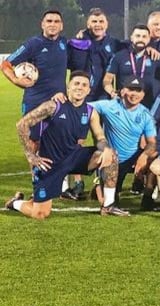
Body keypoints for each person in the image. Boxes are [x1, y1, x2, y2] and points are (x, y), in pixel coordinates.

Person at [6, 72, 124, 219]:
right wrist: (30, 155)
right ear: (68, 87)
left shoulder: (90, 112)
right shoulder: (53, 106)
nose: (80, 88)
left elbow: (99, 136)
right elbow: (22, 124)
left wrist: (105, 148)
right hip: (50, 164)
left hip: (74, 157)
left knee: (111, 154)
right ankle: (15, 203)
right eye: (76, 84)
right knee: (40, 214)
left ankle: (108, 206)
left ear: (89, 90)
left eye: (84, 85)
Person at [2, 10, 81, 121]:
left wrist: (82, 35)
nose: (53, 24)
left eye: (56, 21)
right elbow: (5, 64)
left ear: (61, 26)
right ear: (42, 24)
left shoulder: (63, 43)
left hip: (59, 102)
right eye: (49, 21)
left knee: (59, 138)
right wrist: (15, 80)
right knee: (32, 138)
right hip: (35, 102)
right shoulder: (33, 44)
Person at [89, 77, 157, 203]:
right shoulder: (109, 106)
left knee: (155, 156)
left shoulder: (145, 114)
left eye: (138, 91)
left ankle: (147, 198)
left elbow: (152, 142)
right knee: (108, 201)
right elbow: (83, 107)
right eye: (131, 89)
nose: (134, 94)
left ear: (143, 94)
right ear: (123, 91)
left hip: (132, 158)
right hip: (111, 158)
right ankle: (99, 184)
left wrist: (144, 155)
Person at [69, 8, 122, 102]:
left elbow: (135, 46)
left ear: (106, 24)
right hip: (81, 95)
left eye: (101, 21)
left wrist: (150, 47)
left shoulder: (115, 44)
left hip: (104, 96)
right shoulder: (77, 43)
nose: (98, 24)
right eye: (94, 21)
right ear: (88, 24)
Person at [105, 24, 160, 101]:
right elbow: (107, 79)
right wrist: (112, 92)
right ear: (131, 38)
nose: (141, 39)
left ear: (149, 39)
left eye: (144, 37)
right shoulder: (119, 56)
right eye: (138, 36)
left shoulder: (154, 56)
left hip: (147, 102)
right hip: (124, 101)